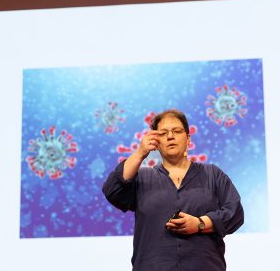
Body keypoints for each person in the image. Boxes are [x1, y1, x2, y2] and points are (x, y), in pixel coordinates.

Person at [102, 109, 244, 270]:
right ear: (155, 141)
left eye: (177, 131)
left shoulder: (212, 174)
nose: (170, 136)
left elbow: (235, 212)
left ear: (188, 139)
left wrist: (199, 224)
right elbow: (112, 191)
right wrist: (140, 153)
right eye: (163, 133)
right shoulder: (142, 178)